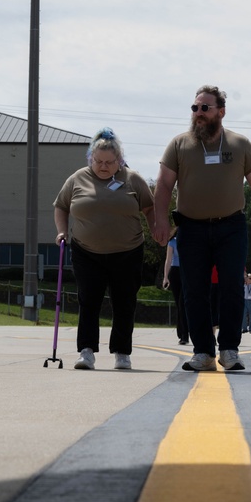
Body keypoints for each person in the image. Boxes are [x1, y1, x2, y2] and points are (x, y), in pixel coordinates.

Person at [151, 85, 251, 372]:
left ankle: (230, 350)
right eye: (195, 108)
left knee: (232, 287)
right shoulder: (179, 144)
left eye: (205, 108)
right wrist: (160, 221)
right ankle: (203, 352)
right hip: (191, 229)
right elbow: (164, 185)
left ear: (220, 112)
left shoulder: (239, 144)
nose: (198, 113)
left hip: (230, 227)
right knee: (194, 291)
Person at [54, 128, 155, 370]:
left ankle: (122, 353)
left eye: (109, 162)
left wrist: (156, 229)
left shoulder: (133, 179)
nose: (103, 166)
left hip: (128, 251)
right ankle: (86, 352)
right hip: (86, 252)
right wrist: (61, 231)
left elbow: (150, 208)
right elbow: (61, 206)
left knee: (124, 302)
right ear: (91, 158)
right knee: (88, 300)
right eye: (98, 161)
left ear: (119, 160)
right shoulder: (77, 178)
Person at [162, 229, 188, 345]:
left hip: (187, 272)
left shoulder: (190, 240)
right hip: (175, 272)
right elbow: (168, 260)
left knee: (184, 303)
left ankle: (185, 334)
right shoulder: (172, 242)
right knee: (179, 304)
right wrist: (165, 277)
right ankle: (182, 334)